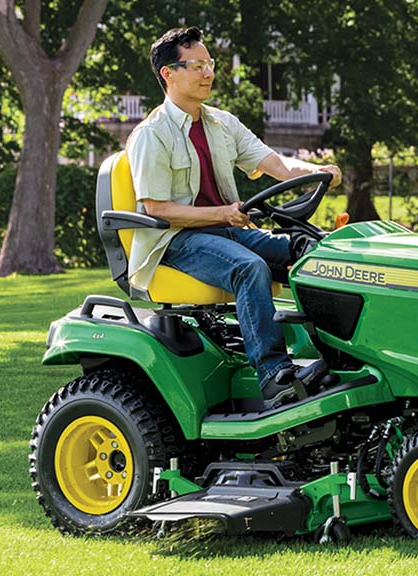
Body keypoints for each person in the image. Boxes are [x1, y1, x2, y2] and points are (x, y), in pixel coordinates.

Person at [125, 27, 340, 409]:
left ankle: (342, 357)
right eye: (196, 66)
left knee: (314, 251)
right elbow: (156, 209)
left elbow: (273, 163)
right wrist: (222, 212)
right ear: (168, 74)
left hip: (226, 230)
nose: (208, 73)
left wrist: (314, 170)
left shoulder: (222, 124)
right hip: (174, 241)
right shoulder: (150, 135)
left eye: (209, 64)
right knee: (250, 268)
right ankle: (274, 377)